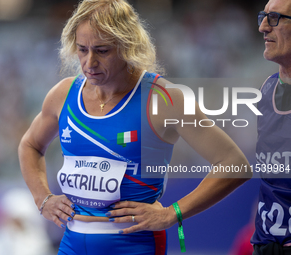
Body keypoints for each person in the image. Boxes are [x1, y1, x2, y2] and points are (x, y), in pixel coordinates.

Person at [18, 0, 251, 254]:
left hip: (134, 244)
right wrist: (43, 198)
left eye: (102, 50)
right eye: (82, 50)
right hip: (72, 243)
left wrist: (174, 213)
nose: (89, 63)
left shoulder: (164, 99)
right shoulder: (63, 95)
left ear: (128, 45)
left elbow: (235, 164)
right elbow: (30, 145)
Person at [251, 0, 291, 254]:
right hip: (265, 245)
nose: (263, 27)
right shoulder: (267, 90)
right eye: (263, 17)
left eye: (274, 18)